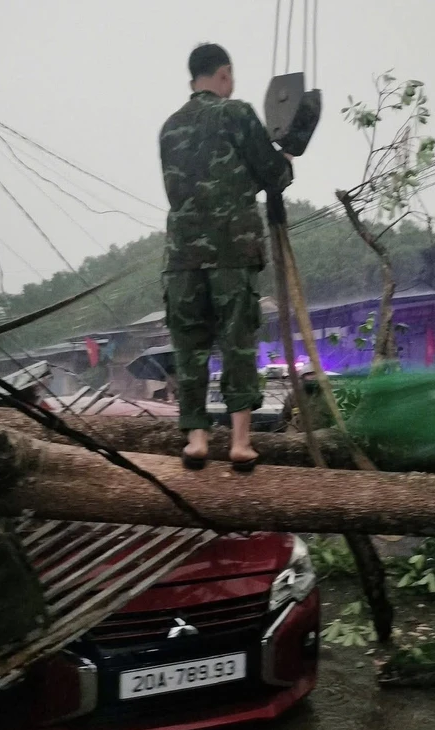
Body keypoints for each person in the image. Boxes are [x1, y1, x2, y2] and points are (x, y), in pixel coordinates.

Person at [159, 43, 294, 471]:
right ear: (224, 74)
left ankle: (197, 440)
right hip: (231, 253)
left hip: (181, 257)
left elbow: (191, 189)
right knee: (237, 342)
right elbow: (272, 175)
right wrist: (286, 158)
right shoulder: (235, 113)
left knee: (190, 346)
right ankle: (239, 443)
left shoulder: (169, 128)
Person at [279, 363, 332, 432]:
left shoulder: (327, 395)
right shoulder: (294, 395)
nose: (313, 377)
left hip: (321, 434)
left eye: (315, 374)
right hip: (297, 434)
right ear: (303, 377)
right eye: (309, 374)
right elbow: (285, 417)